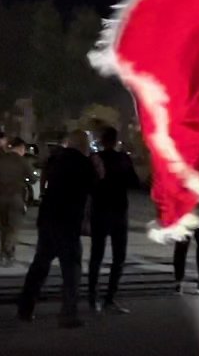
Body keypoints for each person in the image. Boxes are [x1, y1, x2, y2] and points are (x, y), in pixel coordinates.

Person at [17, 130, 95, 327]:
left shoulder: (56, 159)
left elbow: (45, 179)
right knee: (71, 270)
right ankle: (68, 314)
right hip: (68, 222)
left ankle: (25, 307)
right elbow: (94, 189)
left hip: (49, 218)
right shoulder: (84, 164)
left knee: (40, 265)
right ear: (83, 144)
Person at [89, 127, 138, 312]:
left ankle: (93, 298)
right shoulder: (123, 159)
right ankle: (110, 297)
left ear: (102, 141)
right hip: (118, 211)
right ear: (116, 141)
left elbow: (88, 184)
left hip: (99, 211)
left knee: (97, 256)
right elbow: (134, 182)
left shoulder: (94, 159)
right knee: (118, 257)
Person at [0, 138, 33, 265]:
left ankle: (6, 256)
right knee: (13, 228)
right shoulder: (23, 161)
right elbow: (32, 178)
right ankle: (7, 249)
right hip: (15, 197)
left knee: (3, 227)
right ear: (21, 148)